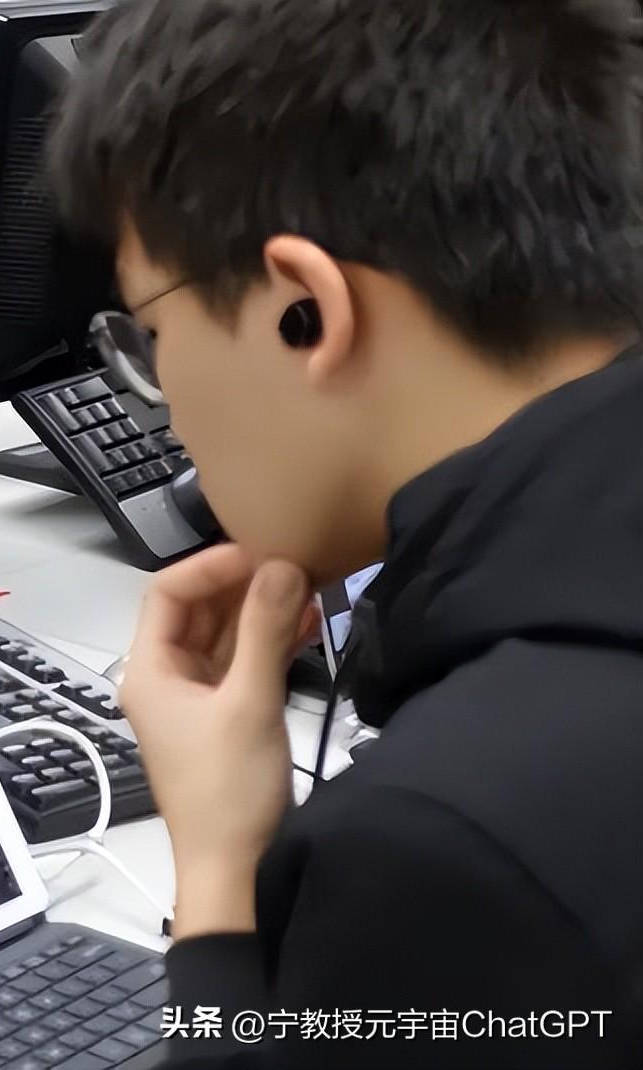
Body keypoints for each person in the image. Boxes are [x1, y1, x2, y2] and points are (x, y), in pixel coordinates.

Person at [45, 0, 643, 1066]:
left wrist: (222, 880)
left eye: (153, 333)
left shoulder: (440, 850)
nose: (165, 408)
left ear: (305, 310)